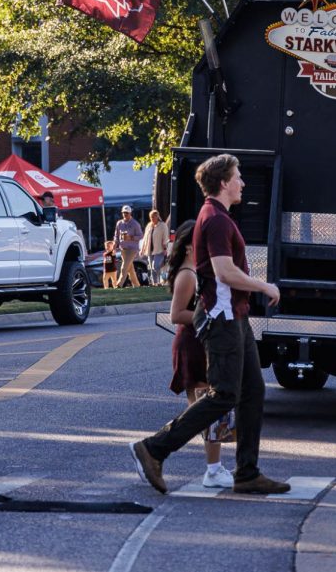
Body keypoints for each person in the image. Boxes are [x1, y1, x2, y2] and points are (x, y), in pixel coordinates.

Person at [130, 153, 289, 495]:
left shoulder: (218, 217)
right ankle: (154, 448)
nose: (243, 183)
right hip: (222, 319)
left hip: (235, 316)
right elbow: (223, 272)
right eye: (238, 177)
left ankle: (247, 473)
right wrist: (264, 286)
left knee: (253, 392)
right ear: (223, 182)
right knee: (225, 394)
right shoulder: (215, 219)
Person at [165, 219, 234, 487]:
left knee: (204, 411)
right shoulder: (187, 275)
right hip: (194, 344)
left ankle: (213, 467)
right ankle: (213, 470)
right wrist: (209, 316)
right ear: (189, 247)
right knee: (210, 409)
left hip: (201, 341)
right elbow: (175, 314)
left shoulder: (195, 271)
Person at [114, 205, 143, 288]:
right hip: (123, 249)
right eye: (124, 213)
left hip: (132, 249)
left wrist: (131, 237)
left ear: (130, 213)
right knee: (130, 269)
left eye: (126, 213)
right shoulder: (119, 223)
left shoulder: (135, 224)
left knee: (124, 267)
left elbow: (141, 236)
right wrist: (115, 243)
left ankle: (119, 284)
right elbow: (116, 235)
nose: (125, 214)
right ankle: (137, 285)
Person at [142, 209, 169, 285]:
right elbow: (145, 238)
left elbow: (165, 237)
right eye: (151, 217)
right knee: (151, 267)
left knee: (155, 266)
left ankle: (162, 279)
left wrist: (165, 248)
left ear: (157, 217)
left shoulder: (163, 225)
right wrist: (143, 248)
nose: (152, 219)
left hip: (159, 250)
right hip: (149, 250)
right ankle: (155, 283)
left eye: (154, 217)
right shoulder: (149, 226)